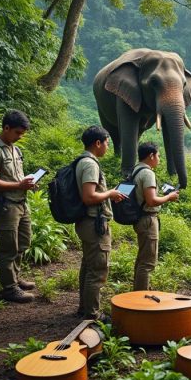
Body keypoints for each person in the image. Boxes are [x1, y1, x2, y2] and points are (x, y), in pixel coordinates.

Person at [0, 109, 37, 303]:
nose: (20, 137)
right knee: (8, 247)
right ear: (6, 128)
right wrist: (18, 185)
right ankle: (9, 288)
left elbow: (14, 177)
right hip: (5, 206)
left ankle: (15, 277)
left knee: (23, 243)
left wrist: (26, 183)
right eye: (17, 133)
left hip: (21, 203)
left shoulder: (15, 149)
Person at [74, 126, 126, 319]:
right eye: (107, 143)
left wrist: (108, 193)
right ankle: (92, 314)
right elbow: (89, 197)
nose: (107, 147)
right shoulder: (90, 165)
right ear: (98, 143)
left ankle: (84, 308)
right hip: (93, 223)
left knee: (88, 266)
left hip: (86, 221)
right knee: (97, 270)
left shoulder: (82, 161)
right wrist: (110, 193)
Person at [131, 142, 179, 291]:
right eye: (158, 155)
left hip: (140, 218)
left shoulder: (136, 169)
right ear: (151, 156)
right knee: (148, 263)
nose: (159, 159)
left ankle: (138, 292)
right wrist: (169, 197)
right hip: (148, 220)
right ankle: (141, 297)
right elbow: (151, 201)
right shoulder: (148, 173)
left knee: (142, 259)